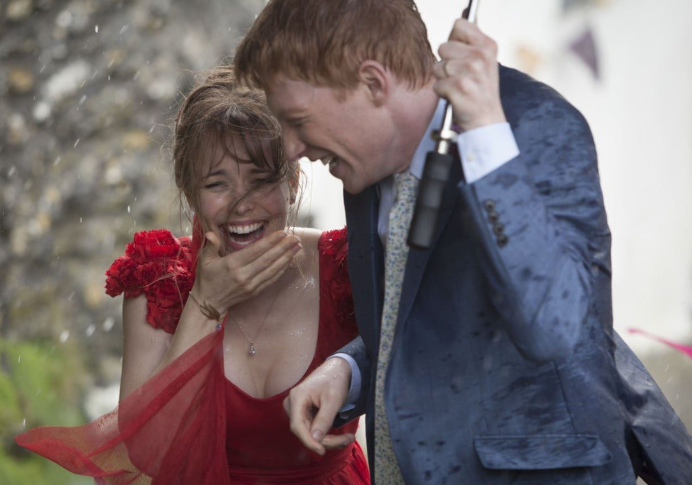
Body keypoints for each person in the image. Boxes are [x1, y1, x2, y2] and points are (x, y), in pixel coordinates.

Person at [233, 0, 692, 483]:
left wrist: (489, 145)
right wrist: (350, 369)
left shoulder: (537, 124)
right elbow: (431, 316)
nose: (291, 149)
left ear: (372, 83)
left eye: (298, 121)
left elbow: (557, 330)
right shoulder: (362, 166)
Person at [15, 67, 370, 485]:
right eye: (218, 184)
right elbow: (147, 454)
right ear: (189, 191)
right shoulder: (159, 281)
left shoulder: (344, 267)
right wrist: (206, 304)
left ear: (292, 182)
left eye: (260, 180)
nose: (241, 204)